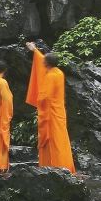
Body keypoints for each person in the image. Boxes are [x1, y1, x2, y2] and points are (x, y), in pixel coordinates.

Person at [26, 41, 76, 173]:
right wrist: (34, 50)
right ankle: (66, 166)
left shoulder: (51, 76)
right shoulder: (59, 72)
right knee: (61, 140)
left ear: (46, 64)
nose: (42, 63)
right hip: (59, 111)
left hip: (50, 114)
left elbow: (44, 97)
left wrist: (38, 101)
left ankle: (54, 167)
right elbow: (44, 60)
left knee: (53, 142)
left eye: (44, 62)